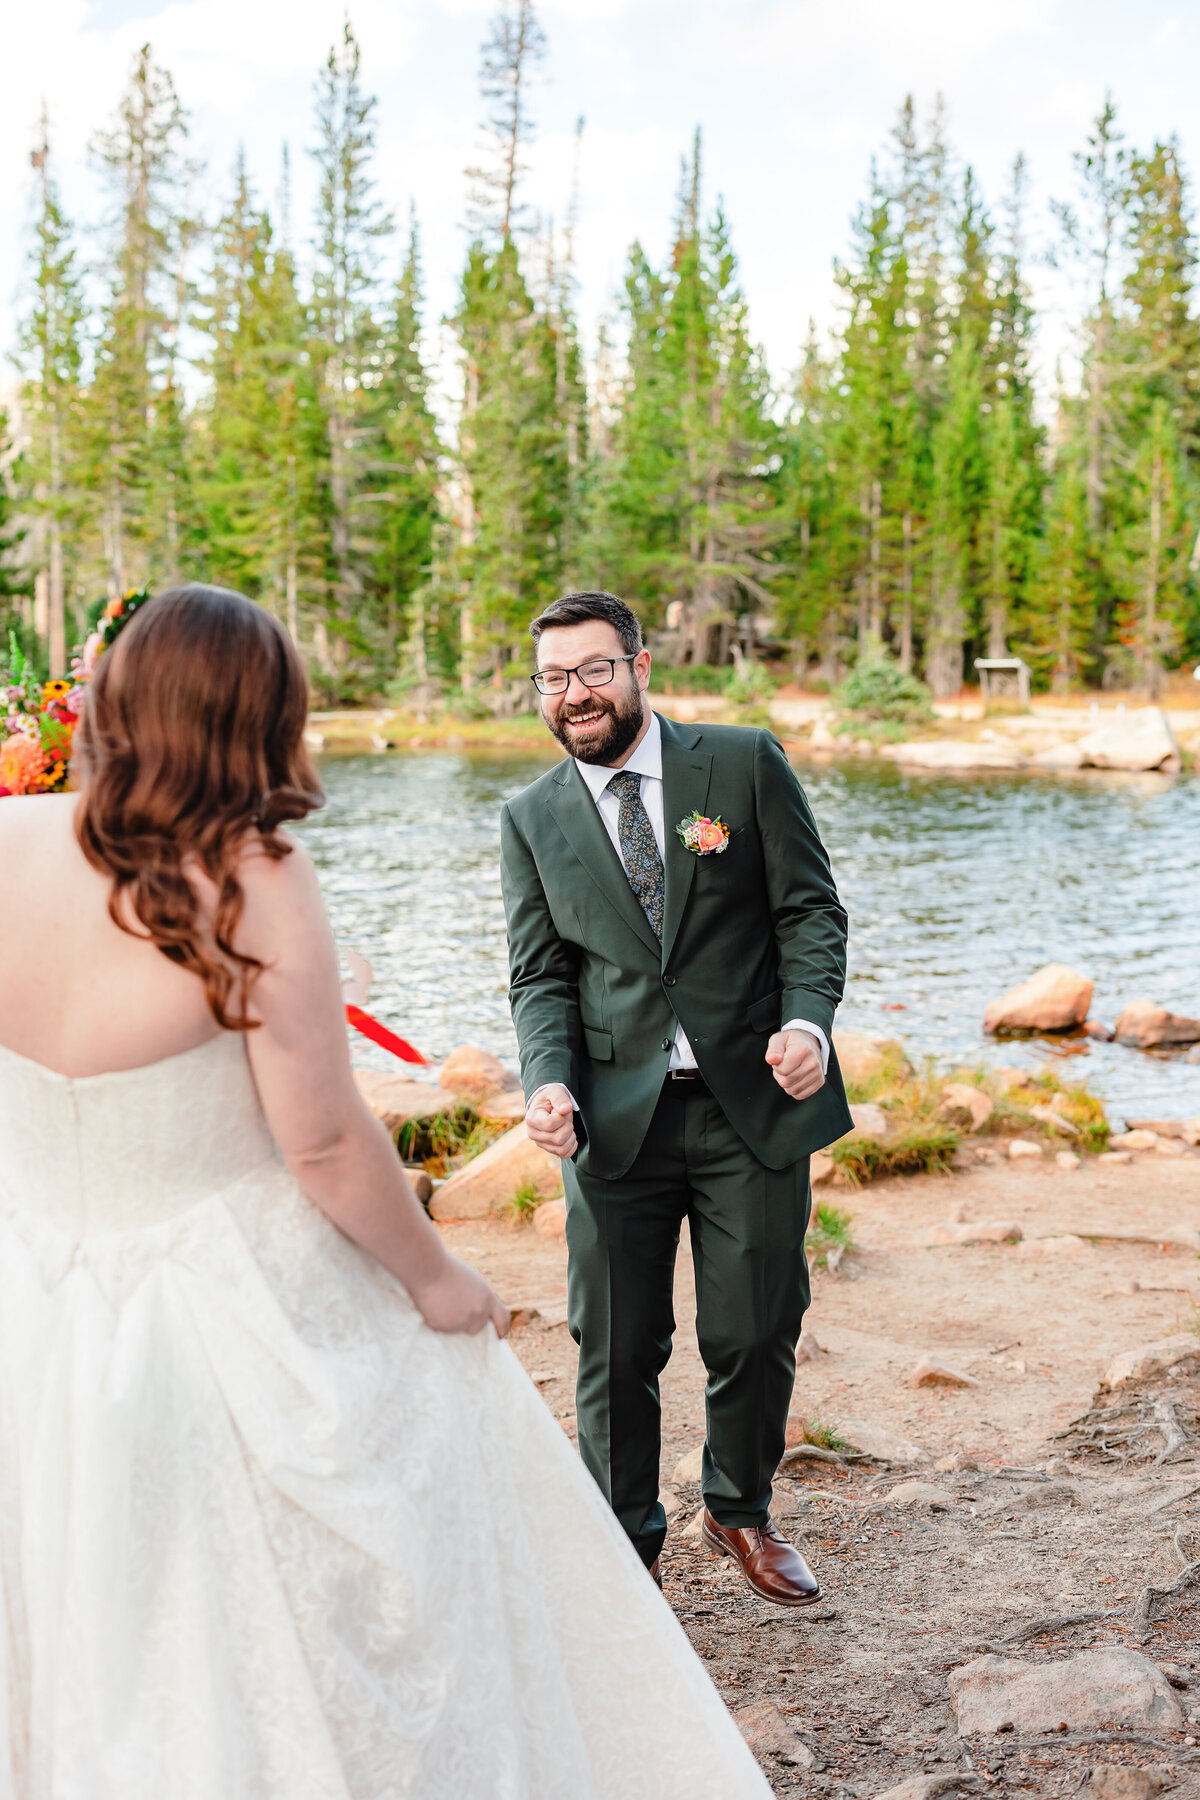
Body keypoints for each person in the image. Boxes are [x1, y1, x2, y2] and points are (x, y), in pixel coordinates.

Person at [0, 585, 773, 1798]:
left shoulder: (8, 844)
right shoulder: (252, 876)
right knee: (398, 1534)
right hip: (219, 1305)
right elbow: (321, 1143)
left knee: (73, 1586)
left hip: (34, 1299)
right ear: (264, 717)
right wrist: (437, 1277)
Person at [501, 591, 852, 1605]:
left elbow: (810, 910)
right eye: (556, 678)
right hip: (614, 1120)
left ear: (641, 667)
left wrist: (808, 1023)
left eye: (595, 669)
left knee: (754, 1326)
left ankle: (738, 1509)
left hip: (754, 1103)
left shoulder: (740, 764)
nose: (575, 694)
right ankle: (623, 1546)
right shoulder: (530, 819)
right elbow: (540, 978)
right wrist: (549, 1081)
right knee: (613, 1342)